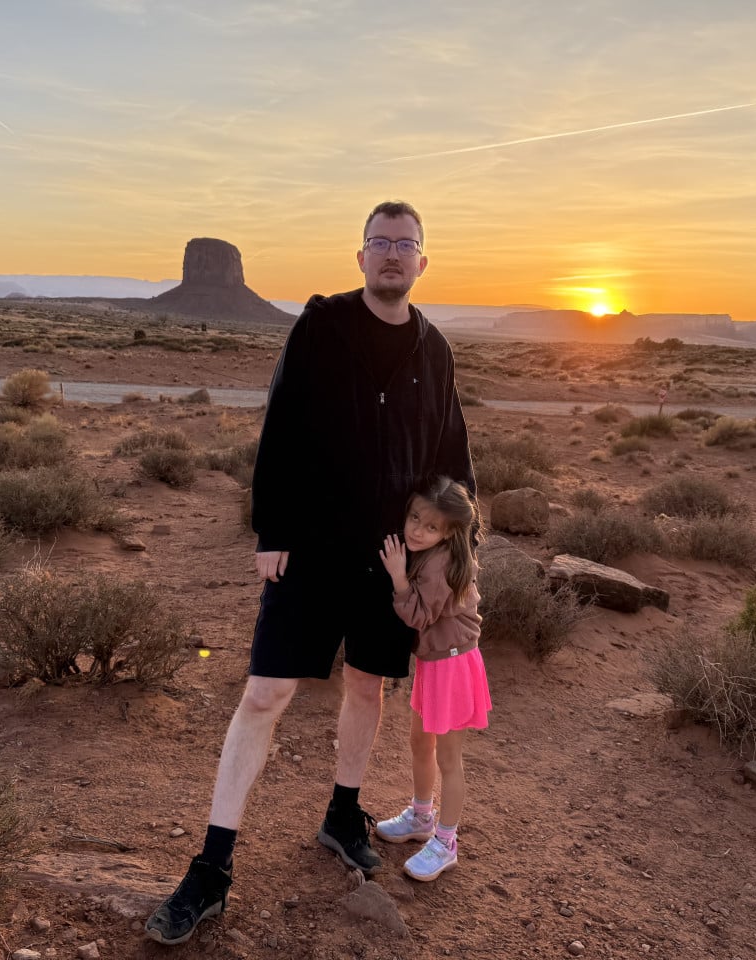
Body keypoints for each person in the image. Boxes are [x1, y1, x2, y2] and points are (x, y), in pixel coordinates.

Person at [146, 201, 475, 946]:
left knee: (367, 684)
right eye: (380, 243)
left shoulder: (435, 350)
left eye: (406, 245)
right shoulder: (321, 327)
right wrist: (272, 528)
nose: (392, 255)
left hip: (392, 562)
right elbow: (281, 423)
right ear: (361, 257)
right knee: (265, 693)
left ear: (423, 262)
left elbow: (454, 461)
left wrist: (452, 556)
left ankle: (341, 812)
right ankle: (212, 866)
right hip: (311, 552)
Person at [374, 476, 490, 881]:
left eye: (431, 527)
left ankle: (445, 842)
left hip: (455, 667)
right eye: (414, 518)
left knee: (448, 758)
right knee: (420, 742)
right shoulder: (430, 552)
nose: (417, 531)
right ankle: (422, 815)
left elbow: (419, 616)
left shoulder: (441, 564)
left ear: (449, 532)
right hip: (435, 663)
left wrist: (398, 577)